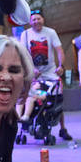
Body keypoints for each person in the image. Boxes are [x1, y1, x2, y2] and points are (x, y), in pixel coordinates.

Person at [17, 10, 71, 140]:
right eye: (34, 19)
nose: (36, 21)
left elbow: (59, 50)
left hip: (50, 73)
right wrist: (31, 69)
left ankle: (62, 128)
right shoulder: (25, 34)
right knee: (28, 97)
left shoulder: (50, 32)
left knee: (56, 99)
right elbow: (23, 55)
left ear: (43, 19)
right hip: (33, 75)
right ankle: (24, 123)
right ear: (30, 22)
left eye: (38, 18)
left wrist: (61, 66)